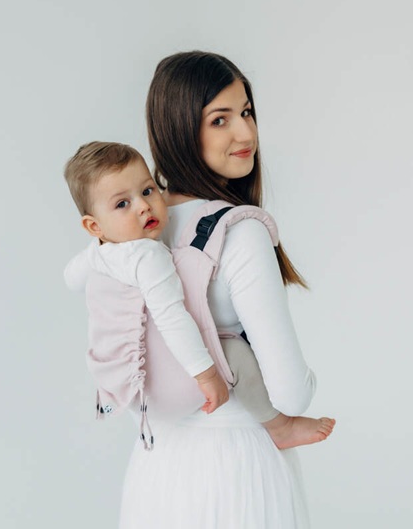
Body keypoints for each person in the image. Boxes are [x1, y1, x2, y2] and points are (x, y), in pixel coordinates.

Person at [67, 50, 335, 528]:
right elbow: (292, 395)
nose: (246, 134)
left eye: (246, 112)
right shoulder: (239, 231)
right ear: (179, 128)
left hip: (157, 467)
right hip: (237, 468)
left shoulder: (125, 232)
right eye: (220, 119)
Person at [63, 140, 333, 451]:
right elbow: (173, 318)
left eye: (148, 190)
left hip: (130, 393)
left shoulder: (97, 253)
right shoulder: (148, 257)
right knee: (235, 353)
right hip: (172, 390)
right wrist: (206, 376)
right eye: (122, 204)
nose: (143, 206)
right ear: (93, 225)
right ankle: (280, 426)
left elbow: (71, 279)